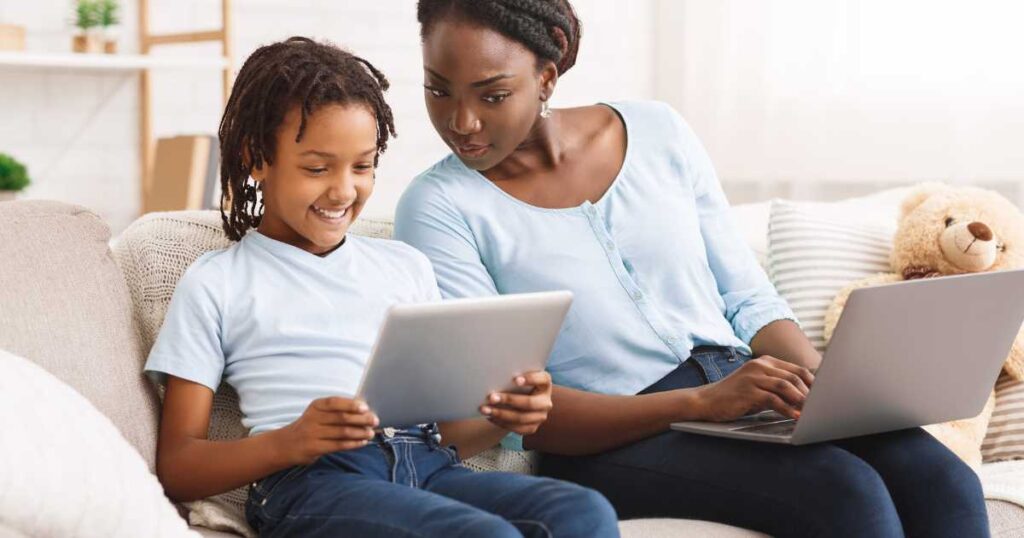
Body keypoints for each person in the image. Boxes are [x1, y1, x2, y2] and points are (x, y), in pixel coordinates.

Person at [394, 2, 989, 536]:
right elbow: (514, 406)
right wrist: (702, 404)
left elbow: (747, 295)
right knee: (844, 491)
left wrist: (826, 388)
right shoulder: (440, 207)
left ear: (546, 78)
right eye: (438, 90)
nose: (461, 122)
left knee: (943, 478)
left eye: (491, 94)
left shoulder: (658, 131)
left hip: (741, 388)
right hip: (614, 437)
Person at [145, 36, 619, 538]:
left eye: (363, 166)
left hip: (428, 466)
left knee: (582, 513)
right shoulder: (217, 281)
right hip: (315, 484)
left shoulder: (405, 266)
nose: (343, 190)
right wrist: (291, 441)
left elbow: (447, 437)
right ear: (256, 157)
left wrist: (503, 415)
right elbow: (179, 464)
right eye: (316, 168)